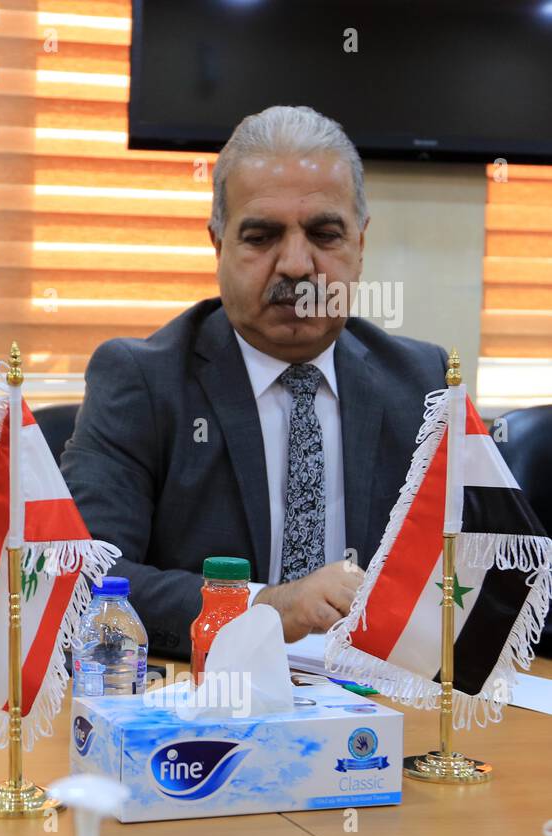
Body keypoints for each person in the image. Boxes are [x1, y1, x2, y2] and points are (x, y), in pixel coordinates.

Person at [62, 105, 448, 658]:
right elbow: (88, 579)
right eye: (262, 237)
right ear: (218, 245)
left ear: (360, 245)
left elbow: (490, 565)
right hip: (203, 701)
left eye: (324, 234)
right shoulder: (142, 380)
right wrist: (267, 608)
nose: (295, 265)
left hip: (381, 701)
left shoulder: (422, 381)